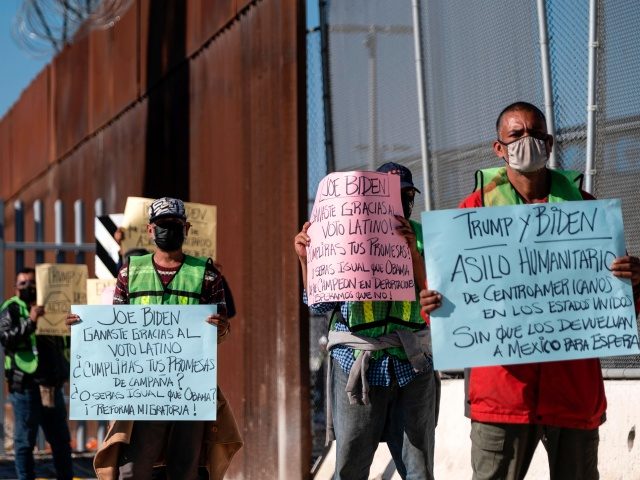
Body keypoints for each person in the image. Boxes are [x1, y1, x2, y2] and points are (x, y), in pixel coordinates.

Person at [419, 101, 640, 480]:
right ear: (498, 148)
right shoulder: (473, 211)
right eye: (516, 135)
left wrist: (633, 280)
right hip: (502, 395)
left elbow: (619, 307)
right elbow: (450, 301)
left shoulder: (586, 213)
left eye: (536, 134)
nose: (528, 141)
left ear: (550, 143)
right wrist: (432, 303)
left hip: (572, 393)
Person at [68, 197, 242, 480]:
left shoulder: (207, 275)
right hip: (143, 388)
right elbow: (116, 329)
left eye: (173, 225)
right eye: (162, 225)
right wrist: (84, 327)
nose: (167, 230)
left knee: (185, 468)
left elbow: (222, 331)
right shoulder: (129, 273)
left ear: (185, 228)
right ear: (150, 230)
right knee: (133, 469)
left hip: (189, 388)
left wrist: (220, 326)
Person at [295, 163, 438, 480]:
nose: (403, 202)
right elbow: (321, 303)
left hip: (413, 365)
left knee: (419, 468)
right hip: (358, 364)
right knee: (351, 465)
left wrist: (414, 253)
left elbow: (442, 296)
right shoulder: (347, 236)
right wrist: (307, 261)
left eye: (408, 195)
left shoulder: (428, 236)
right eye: (395, 195)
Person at [0, 267, 74, 480]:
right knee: (25, 442)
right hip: (25, 387)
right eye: (22, 283)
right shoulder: (11, 309)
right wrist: (31, 321)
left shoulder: (53, 308)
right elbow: (7, 339)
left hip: (51, 386)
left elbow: (65, 342)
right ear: (15, 288)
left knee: (60, 441)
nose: (28, 287)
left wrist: (70, 328)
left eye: (32, 283)